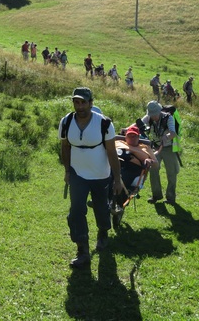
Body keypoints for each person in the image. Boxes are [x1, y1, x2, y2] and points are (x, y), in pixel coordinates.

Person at [59, 87, 123, 268]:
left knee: (101, 209)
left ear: (91, 103)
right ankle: (82, 251)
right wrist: (67, 170)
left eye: (83, 102)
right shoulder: (66, 121)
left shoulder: (104, 124)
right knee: (76, 211)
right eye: (76, 102)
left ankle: (103, 232)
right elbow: (65, 147)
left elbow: (112, 152)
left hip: (101, 175)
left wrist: (117, 179)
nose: (80, 106)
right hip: (78, 174)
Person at [111, 125, 157, 218]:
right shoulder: (118, 142)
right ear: (125, 136)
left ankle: (116, 204)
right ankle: (102, 200)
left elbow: (156, 164)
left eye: (134, 136)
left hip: (134, 168)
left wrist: (150, 161)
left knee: (122, 178)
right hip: (117, 164)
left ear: (138, 137)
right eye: (129, 136)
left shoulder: (144, 147)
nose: (131, 138)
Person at [141, 101, 179, 205]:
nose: (153, 117)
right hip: (155, 148)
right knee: (153, 170)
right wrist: (128, 129)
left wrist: (166, 137)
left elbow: (173, 132)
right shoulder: (147, 118)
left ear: (159, 111)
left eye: (155, 114)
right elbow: (137, 124)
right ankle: (156, 195)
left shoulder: (169, 118)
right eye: (151, 114)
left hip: (168, 148)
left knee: (171, 173)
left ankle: (171, 197)